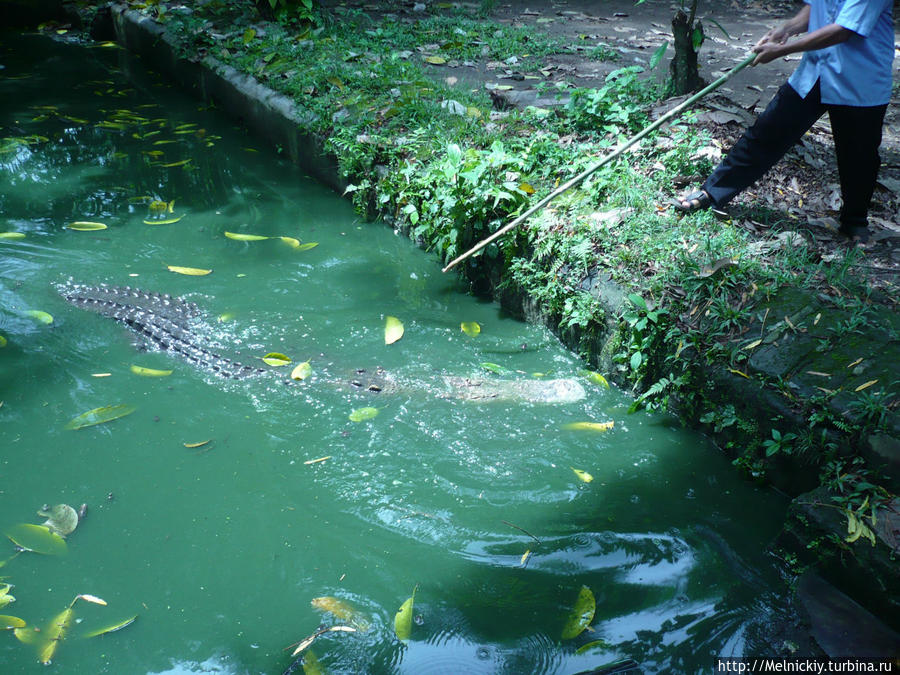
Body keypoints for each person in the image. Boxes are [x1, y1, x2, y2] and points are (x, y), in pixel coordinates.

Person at [675, 0, 895, 243]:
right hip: (815, 71)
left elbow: (844, 29)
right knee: (767, 132)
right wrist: (787, 28)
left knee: (859, 156)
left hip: (860, 79)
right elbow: (818, 7)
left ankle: (855, 223)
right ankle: (712, 193)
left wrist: (782, 50)